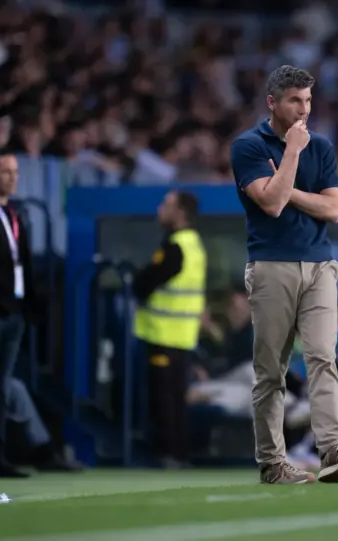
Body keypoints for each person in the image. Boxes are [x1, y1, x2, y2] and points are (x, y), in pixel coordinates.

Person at [230, 64, 338, 484]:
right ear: (273, 102)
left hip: (320, 264)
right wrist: (290, 151)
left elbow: (334, 209)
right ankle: (273, 464)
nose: (304, 109)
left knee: (324, 357)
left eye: (308, 100)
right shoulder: (248, 146)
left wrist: (284, 188)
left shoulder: (322, 147)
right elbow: (269, 207)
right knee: (271, 370)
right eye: (295, 100)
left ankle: (332, 449)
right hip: (271, 265)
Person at [133, 189, 205, 468]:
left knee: (163, 399)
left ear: (181, 213)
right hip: (183, 335)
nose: (160, 208)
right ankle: (179, 453)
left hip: (164, 333)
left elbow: (147, 280)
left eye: (167, 204)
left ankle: (168, 454)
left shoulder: (176, 247)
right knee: (176, 399)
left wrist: (137, 282)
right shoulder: (195, 244)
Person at [0, 148, 35, 478]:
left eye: (15, 172)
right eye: (5, 171)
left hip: (14, 309)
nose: (12, 178)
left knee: (1, 386)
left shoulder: (13, 212)